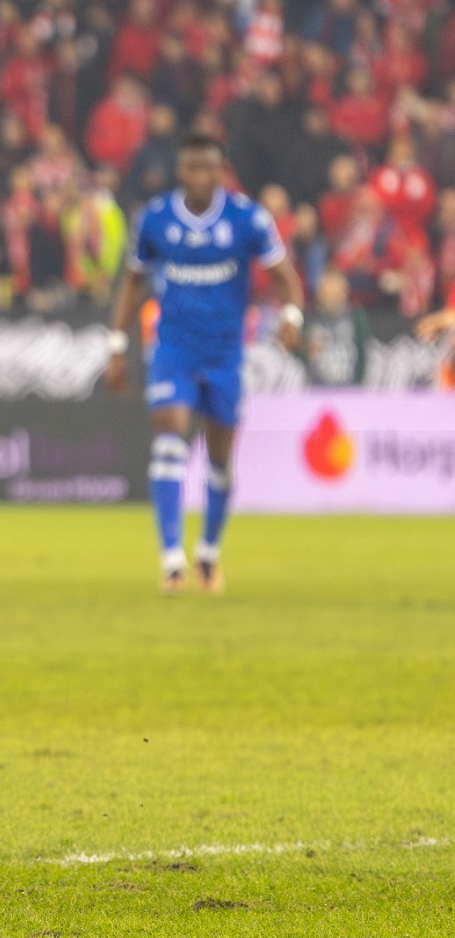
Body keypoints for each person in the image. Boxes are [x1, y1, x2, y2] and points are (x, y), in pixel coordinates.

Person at [104, 135, 304, 594]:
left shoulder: (247, 218)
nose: (198, 176)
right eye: (190, 167)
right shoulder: (155, 219)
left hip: (225, 354)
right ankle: (172, 559)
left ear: (220, 172)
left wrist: (292, 317)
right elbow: (132, 282)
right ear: (180, 171)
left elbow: (284, 276)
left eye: (206, 167)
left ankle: (208, 553)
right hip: (172, 348)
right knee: (170, 435)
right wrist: (116, 344)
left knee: (219, 459)